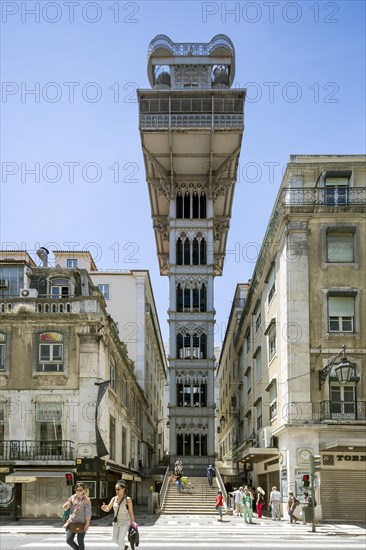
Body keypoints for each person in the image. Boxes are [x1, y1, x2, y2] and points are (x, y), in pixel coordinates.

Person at [101, 480, 136, 550]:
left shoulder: (128, 499)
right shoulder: (114, 499)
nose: (117, 491)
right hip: (116, 522)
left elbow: (131, 512)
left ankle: (122, 547)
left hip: (125, 522)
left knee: (120, 539)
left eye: (118, 489)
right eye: (116, 489)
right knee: (114, 539)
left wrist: (132, 523)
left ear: (123, 489)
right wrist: (103, 508)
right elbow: (108, 509)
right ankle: (124, 546)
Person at [62, 482, 91, 550]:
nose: (78, 491)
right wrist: (69, 502)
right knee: (69, 540)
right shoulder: (72, 497)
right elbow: (66, 508)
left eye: (80, 490)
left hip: (82, 523)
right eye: (76, 490)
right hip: (72, 522)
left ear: (84, 490)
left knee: (80, 541)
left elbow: (88, 513)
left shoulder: (86, 499)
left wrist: (87, 524)